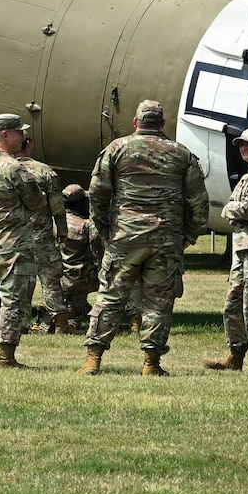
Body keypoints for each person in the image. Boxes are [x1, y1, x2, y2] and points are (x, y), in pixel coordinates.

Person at [79, 99, 208, 377]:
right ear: (162, 124)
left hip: (124, 237)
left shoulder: (116, 149)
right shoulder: (182, 154)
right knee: (159, 303)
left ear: (136, 122)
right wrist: (189, 234)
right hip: (165, 240)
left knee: (110, 298)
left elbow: (98, 193)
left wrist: (104, 230)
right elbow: (198, 200)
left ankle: (93, 360)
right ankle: (151, 363)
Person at [0, 113, 56, 368]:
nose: (24, 137)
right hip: (15, 246)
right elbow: (36, 201)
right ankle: (6, 357)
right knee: (14, 302)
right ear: (5, 134)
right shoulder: (15, 168)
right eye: (20, 132)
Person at [204, 127, 248, 371]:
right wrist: (236, 209)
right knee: (232, 303)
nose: (244, 148)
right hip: (240, 249)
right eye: (241, 144)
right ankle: (235, 355)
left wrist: (236, 209)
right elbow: (231, 209)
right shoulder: (245, 178)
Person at [19, 127, 70, 332]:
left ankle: (19, 323)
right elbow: (57, 205)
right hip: (41, 236)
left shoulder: (6, 169)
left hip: (16, 237)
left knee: (19, 281)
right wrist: (62, 229)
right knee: (51, 279)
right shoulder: (45, 171)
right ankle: (60, 323)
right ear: (29, 145)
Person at [57, 183, 102, 328]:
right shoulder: (86, 225)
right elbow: (97, 252)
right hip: (80, 277)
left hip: (57, 277)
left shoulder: (53, 223)